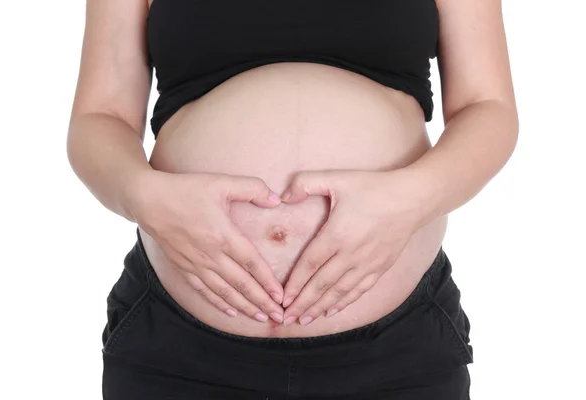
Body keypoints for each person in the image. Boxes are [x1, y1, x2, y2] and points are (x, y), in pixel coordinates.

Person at [67, 0, 518, 398]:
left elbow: (487, 106)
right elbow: (100, 115)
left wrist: (410, 199)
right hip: (178, 352)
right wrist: (144, 195)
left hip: (395, 355)